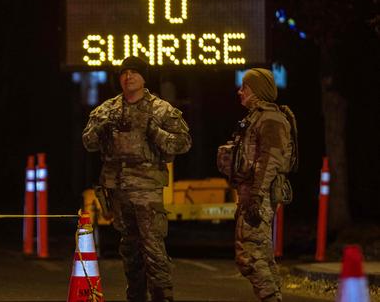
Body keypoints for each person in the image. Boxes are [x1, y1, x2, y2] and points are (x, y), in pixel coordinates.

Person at [82, 56, 192, 302]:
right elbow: (88, 143)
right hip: (118, 191)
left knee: (154, 251)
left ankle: (163, 297)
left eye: (134, 72)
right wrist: (101, 127)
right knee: (130, 252)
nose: (128, 77)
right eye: (124, 73)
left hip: (147, 191)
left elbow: (184, 143)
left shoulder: (160, 109)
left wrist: (156, 132)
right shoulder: (107, 110)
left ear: (144, 78)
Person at [217, 68, 297, 302]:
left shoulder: (270, 119)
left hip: (257, 196)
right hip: (252, 195)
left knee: (249, 257)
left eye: (246, 87)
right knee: (261, 254)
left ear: (258, 90)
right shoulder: (258, 117)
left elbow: (269, 161)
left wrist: (256, 196)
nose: (240, 91)